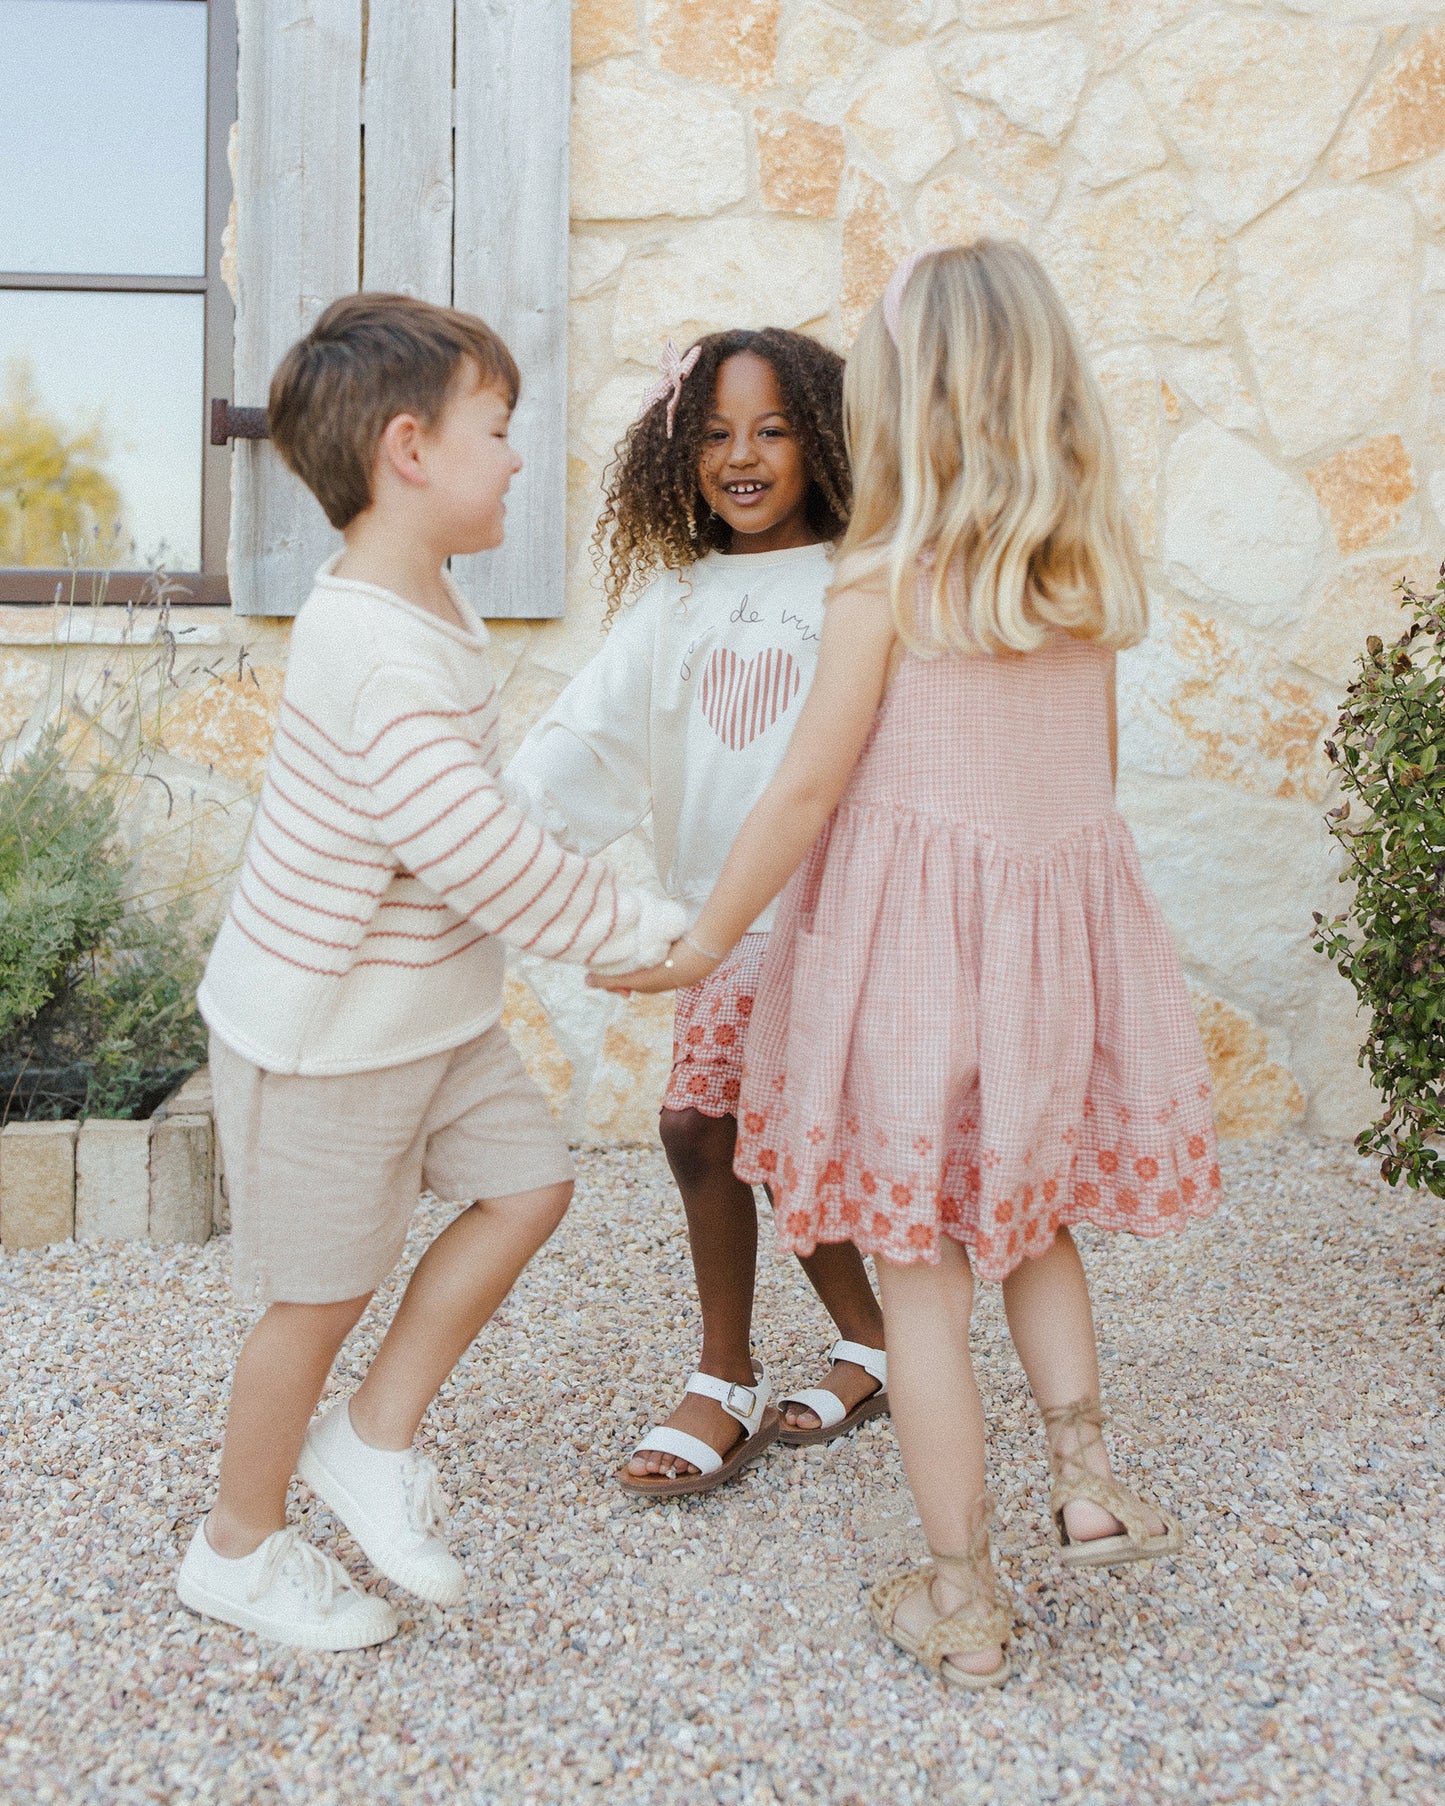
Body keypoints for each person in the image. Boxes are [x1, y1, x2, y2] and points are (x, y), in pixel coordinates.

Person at [591, 243, 1220, 1686]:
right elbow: (1090, 793)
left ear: (905, 400)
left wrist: (699, 942)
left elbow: (803, 793)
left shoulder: (879, 580)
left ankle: (963, 1594)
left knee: (921, 1277)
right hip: (1043, 969)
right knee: (1034, 1223)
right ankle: (1089, 1482)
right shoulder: (1082, 578)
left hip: (904, 979)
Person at [177, 294, 684, 1650]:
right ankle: (236, 1544)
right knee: (318, 1293)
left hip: (430, 1016)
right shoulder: (369, 642)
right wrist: (634, 929)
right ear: (411, 449)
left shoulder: (430, 601)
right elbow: (465, 844)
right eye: (499, 429)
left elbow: (475, 806)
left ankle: (372, 1436)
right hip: (327, 1034)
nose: (520, 457)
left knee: (528, 1184)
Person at [507, 329, 887, 1498]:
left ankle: (873, 1343)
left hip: (838, 915)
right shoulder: (674, 601)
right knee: (697, 1129)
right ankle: (723, 1372)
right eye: (715, 432)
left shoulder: (857, 581)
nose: (743, 455)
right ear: (676, 451)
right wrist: (489, 842)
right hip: (721, 921)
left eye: (771, 429)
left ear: (820, 440)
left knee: (798, 1148)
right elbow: (586, 738)